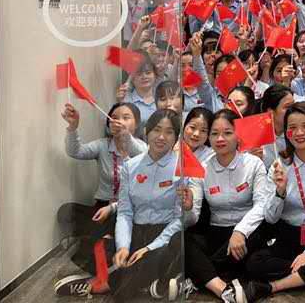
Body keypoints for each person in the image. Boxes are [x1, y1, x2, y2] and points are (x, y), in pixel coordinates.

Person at [55, 110, 198, 301]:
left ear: (176, 137)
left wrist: (150, 248)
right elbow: (124, 213)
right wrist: (123, 246)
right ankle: (151, 281)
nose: (162, 137)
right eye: (157, 130)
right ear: (146, 132)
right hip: (136, 231)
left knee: (171, 249)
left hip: (164, 235)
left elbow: (179, 219)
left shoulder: (182, 169)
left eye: (169, 132)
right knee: (100, 248)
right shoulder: (130, 167)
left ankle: (103, 283)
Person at [239, 102, 305, 302]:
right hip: (289, 235)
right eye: (292, 127)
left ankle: (272, 286)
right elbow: (271, 218)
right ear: (286, 132)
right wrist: (280, 192)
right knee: (254, 263)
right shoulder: (279, 165)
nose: (299, 133)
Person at [185, 110, 269, 302]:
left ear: (238, 135)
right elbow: (193, 219)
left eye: (227, 133)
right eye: (214, 134)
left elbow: (262, 205)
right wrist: (187, 208)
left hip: (247, 234)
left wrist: (240, 231)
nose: (220, 139)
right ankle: (221, 288)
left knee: (255, 242)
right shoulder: (202, 168)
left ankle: (200, 275)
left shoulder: (253, 164)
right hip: (217, 233)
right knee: (182, 239)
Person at [57, 102, 147, 274]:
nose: (119, 121)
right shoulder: (102, 145)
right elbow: (75, 152)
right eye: (114, 118)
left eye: (126, 118)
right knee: (66, 211)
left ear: (136, 124)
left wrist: (126, 137)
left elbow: (144, 161)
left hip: (129, 209)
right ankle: (104, 240)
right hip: (102, 206)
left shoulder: (141, 148)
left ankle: (97, 242)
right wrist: (73, 128)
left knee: (115, 223)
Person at [260, 85, 294, 169]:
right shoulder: (258, 137)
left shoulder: (297, 134)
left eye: (294, 105)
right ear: (271, 112)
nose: (293, 110)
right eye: (287, 107)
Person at [119, 56, 158, 123]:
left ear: (155, 75)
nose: (144, 76)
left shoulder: (161, 98)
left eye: (148, 73)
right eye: (139, 74)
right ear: (132, 79)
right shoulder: (125, 99)